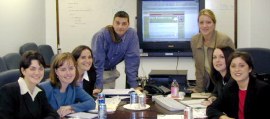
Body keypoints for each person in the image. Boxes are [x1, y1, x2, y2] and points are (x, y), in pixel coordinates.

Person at [207, 51, 270, 119]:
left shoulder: (263, 89)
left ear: (250, 69)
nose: (237, 69)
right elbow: (211, 109)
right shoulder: (229, 88)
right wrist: (224, 117)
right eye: (233, 66)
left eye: (241, 66)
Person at [91, 11, 141, 92]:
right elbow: (98, 62)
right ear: (113, 23)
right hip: (95, 72)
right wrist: (98, 86)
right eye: (117, 23)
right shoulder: (101, 35)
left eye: (124, 24)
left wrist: (134, 86)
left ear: (128, 24)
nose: (120, 27)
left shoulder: (131, 35)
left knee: (109, 99)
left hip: (110, 72)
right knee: (97, 98)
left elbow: (132, 61)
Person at [0, 50, 59, 119]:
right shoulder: (8, 91)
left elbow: (53, 114)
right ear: (23, 71)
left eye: (41, 69)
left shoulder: (40, 91)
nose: (37, 73)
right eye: (32, 69)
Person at [190, 9, 235, 93]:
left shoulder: (224, 40)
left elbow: (233, 67)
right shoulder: (194, 40)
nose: (204, 26)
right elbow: (199, 68)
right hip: (210, 85)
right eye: (201, 22)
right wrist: (199, 89)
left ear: (214, 24)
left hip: (226, 84)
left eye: (208, 22)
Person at [39, 52, 96, 117]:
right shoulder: (44, 88)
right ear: (56, 71)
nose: (68, 73)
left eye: (71, 68)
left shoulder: (74, 87)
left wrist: (70, 107)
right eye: (63, 69)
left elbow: (91, 103)